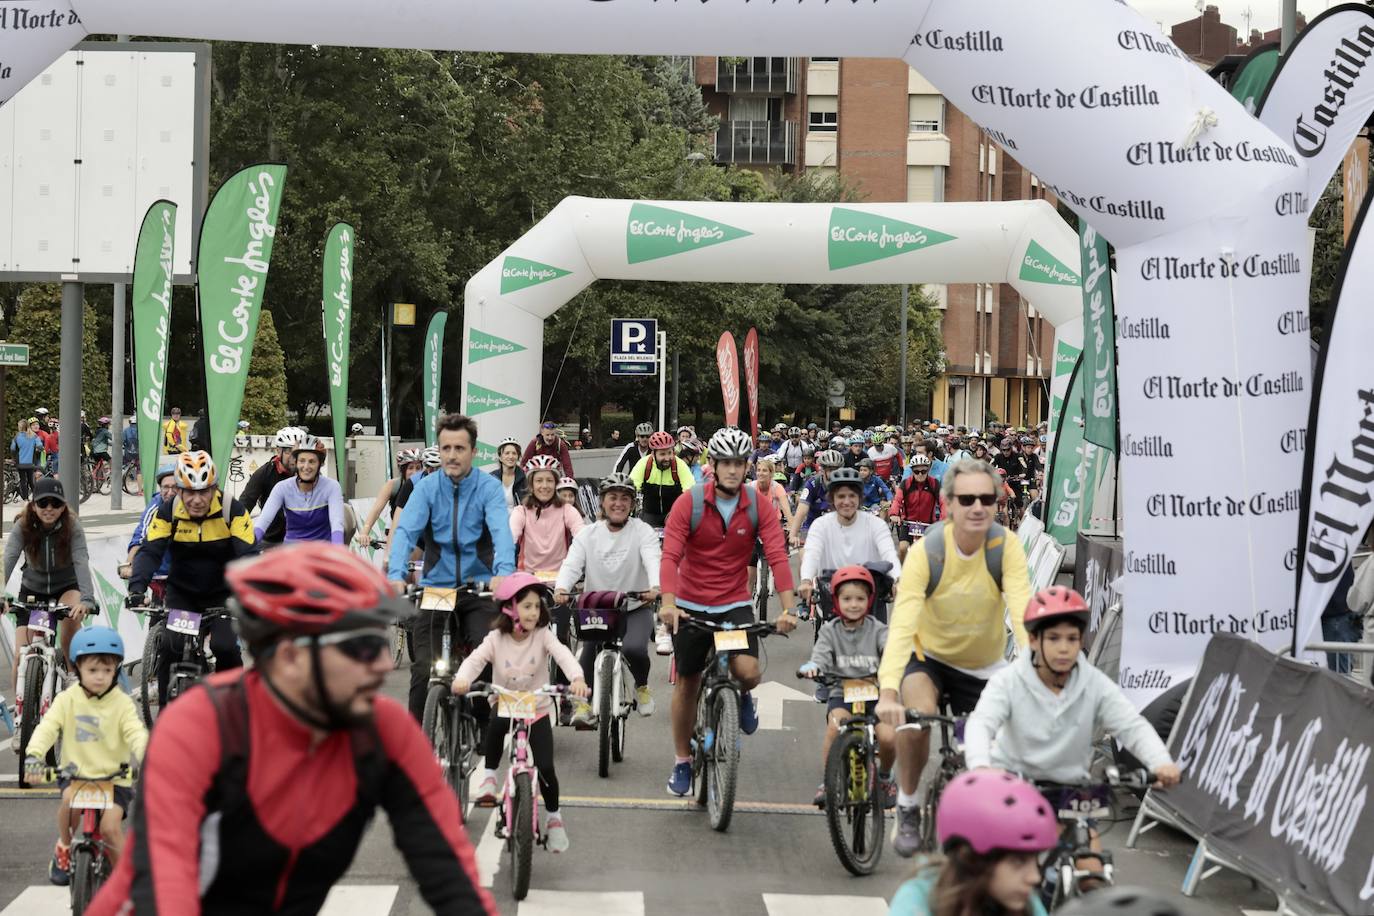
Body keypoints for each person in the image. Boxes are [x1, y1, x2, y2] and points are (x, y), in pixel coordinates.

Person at [88, 544, 499, 915]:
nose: (380, 664)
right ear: (287, 657)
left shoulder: (384, 732)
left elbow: (448, 873)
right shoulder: (201, 725)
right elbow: (164, 884)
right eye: (360, 647)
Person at [877, 459, 1033, 857]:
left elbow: (1024, 614)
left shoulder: (1006, 547)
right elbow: (902, 624)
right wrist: (889, 692)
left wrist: (1036, 673)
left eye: (987, 498)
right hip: (927, 657)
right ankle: (908, 805)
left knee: (993, 747)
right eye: (967, 499)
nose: (978, 507)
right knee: (917, 720)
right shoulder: (928, 551)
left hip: (983, 664)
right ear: (948, 503)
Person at [659, 427, 800, 796]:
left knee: (748, 672)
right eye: (727, 463)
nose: (734, 470)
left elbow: (777, 555)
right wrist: (669, 604)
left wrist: (789, 609)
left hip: (734, 605)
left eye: (740, 463)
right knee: (688, 682)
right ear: (713, 465)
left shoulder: (758, 505)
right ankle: (682, 762)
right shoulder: (688, 503)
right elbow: (670, 557)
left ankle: (742, 695)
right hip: (689, 606)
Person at [965, 586, 1180, 789]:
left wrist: (1161, 762)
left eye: (1072, 639)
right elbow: (982, 723)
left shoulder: (1094, 683)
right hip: (1013, 785)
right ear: (1032, 640)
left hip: (1072, 790)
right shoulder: (1008, 680)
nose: (1064, 648)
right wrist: (981, 765)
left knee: (1089, 830)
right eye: (1053, 638)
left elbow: (1131, 726)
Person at [388, 414, 515, 721]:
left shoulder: (488, 488)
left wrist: (503, 572)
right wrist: (395, 575)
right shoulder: (427, 488)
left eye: (459, 448)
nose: (452, 455)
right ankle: (416, 750)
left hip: (478, 588)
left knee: (483, 659)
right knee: (421, 670)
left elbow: (501, 531)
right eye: (446, 448)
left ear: (473, 451)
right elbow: (405, 531)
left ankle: (485, 741)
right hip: (436, 587)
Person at [454, 573, 588, 853]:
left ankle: (554, 820)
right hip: (504, 702)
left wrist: (577, 678)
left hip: (536, 707)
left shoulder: (542, 635)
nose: (533, 612)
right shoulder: (495, 638)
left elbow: (563, 654)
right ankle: (490, 777)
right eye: (527, 606)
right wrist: (462, 678)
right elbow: (475, 660)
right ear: (509, 608)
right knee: (496, 726)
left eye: (537, 607)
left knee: (547, 766)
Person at [126, 451, 259, 706]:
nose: (197, 500)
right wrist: (136, 588)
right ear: (179, 491)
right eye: (190, 492)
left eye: (204, 491)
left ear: (214, 489)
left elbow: (249, 555)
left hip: (222, 595)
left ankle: (233, 705)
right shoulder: (168, 512)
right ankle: (167, 716)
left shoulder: (232, 509)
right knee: (170, 645)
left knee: (225, 647)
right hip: (183, 595)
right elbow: (150, 551)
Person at [24, 627, 147, 885]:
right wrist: (33, 755)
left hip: (115, 779)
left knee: (111, 829)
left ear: (116, 670)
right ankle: (64, 847)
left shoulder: (122, 703)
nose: (100, 677)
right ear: (78, 668)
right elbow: (48, 727)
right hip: (76, 774)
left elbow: (137, 733)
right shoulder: (67, 699)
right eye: (93, 670)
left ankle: (126, 883)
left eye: (107, 670)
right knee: (69, 802)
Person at [555, 472, 661, 727]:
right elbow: (571, 565)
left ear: (633, 504)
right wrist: (561, 587)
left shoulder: (642, 531)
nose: (618, 503)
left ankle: (642, 686)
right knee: (586, 655)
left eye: (625, 498)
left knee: (634, 649)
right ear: (602, 501)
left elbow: (652, 557)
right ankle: (583, 703)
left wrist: (656, 585)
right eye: (612, 497)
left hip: (635, 606)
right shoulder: (588, 534)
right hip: (598, 608)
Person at [888, 771, 1057, 916]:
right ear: (971, 859)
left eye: (1035, 860)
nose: (1035, 877)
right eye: (1018, 862)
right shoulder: (919, 901)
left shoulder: (1026, 904)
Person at [798, 566, 894, 808]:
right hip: (842, 693)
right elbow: (819, 657)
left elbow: (893, 652)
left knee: (888, 737)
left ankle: (884, 778)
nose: (854, 604)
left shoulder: (879, 630)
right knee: (834, 727)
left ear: (870, 600)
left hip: (875, 695)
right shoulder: (830, 631)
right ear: (836, 601)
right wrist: (813, 668)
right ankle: (827, 782)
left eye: (860, 599)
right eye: (847, 599)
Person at [4, 478, 96, 699]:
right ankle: (21, 715)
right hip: (32, 590)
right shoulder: (22, 525)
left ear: (63, 506)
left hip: (66, 586)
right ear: (33, 505)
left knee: (70, 624)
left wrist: (87, 599)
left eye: (55, 504)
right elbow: (7, 559)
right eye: (42, 503)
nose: (48, 509)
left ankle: (73, 674)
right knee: (20, 657)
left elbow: (81, 562)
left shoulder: (72, 527)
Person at [798, 468, 900, 622]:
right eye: (841, 496)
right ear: (832, 499)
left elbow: (889, 554)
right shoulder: (820, 525)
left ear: (860, 498)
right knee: (825, 643)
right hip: (832, 597)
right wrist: (806, 581)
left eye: (852, 496)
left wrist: (898, 580)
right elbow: (812, 554)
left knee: (880, 642)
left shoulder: (876, 524)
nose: (846, 502)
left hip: (870, 597)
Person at [253, 436, 346, 545]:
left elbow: (337, 523)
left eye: (312, 461)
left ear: (320, 464)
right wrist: (248, 548)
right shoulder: (282, 487)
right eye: (302, 461)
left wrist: (338, 551)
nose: (306, 466)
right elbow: (264, 521)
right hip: (292, 554)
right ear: (296, 463)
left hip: (321, 553)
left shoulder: (332, 487)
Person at [510, 455, 584, 574]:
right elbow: (508, 542)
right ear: (531, 485)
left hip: (561, 580)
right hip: (528, 579)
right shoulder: (521, 512)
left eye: (549, 480)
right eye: (539, 481)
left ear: (556, 484)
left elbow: (583, 536)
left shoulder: (567, 510)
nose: (544, 486)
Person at [119, 462, 178, 600]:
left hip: (189, 578)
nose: (170, 493)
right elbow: (141, 536)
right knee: (159, 616)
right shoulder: (156, 506)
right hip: (163, 577)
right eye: (166, 487)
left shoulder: (191, 505)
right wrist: (129, 564)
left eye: (175, 487)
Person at [241, 427, 302, 546]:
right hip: (270, 539)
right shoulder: (263, 473)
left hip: (299, 539)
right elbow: (244, 505)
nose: (294, 457)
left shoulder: (307, 474)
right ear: (279, 451)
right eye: (289, 451)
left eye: (298, 452)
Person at [355, 447, 422, 551]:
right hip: (396, 534)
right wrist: (364, 533)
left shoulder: (428, 486)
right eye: (410, 468)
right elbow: (375, 511)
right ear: (403, 470)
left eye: (418, 468)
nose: (415, 472)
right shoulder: (393, 485)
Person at [630, 430, 694, 529]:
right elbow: (631, 487)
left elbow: (690, 491)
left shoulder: (679, 465)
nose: (667, 458)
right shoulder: (644, 464)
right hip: (650, 514)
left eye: (670, 453)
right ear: (653, 454)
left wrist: (680, 511)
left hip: (674, 513)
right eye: (662, 454)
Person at [891, 454, 942, 563]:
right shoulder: (906, 483)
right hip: (908, 523)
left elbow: (944, 502)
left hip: (928, 524)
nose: (920, 474)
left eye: (923, 471)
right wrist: (894, 514)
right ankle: (901, 573)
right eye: (916, 471)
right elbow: (897, 500)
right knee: (903, 548)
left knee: (933, 553)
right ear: (912, 471)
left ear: (928, 470)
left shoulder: (934, 484)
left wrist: (945, 519)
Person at [788, 448, 843, 548]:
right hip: (811, 526)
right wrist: (793, 535)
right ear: (823, 470)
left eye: (837, 470)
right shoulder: (813, 484)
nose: (835, 473)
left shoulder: (846, 485)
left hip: (837, 527)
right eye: (831, 470)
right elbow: (801, 511)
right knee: (805, 558)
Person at [490, 436, 528, 509]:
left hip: (519, 519)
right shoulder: (492, 478)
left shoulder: (524, 478)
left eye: (514, 453)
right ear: (500, 457)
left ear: (518, 457)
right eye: (507, 453)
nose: (511, 456)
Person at [10, 417, 40, 500]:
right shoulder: (34, 436)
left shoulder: (17, 437)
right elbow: (40, 446)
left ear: (20, 427)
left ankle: (26, 499)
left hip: (20, 463)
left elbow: (12, 449)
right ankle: (36, 498)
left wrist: (14, 457)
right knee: (31, 480)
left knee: (23, 481)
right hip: (31, 463)